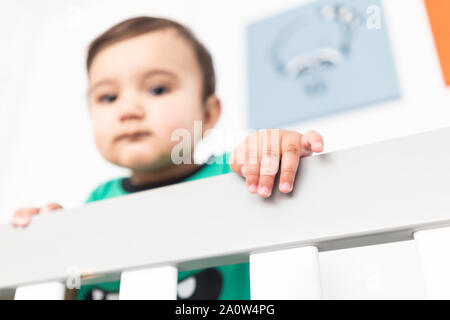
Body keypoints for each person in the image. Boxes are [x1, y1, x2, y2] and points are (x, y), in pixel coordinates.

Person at [10, 16, 324, 300]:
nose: (128, 110)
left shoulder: (237, 174)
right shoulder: (97, 201)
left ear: (208, 113)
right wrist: (46, 241)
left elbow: (288, 187)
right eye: (108, 97)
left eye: (158, 89)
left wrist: (273, 152)